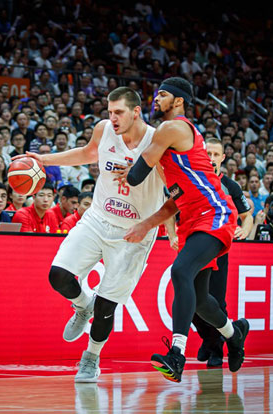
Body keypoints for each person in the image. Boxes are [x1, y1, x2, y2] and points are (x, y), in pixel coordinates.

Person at [16, 87, 171, 383]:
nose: (113, 118)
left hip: (134, 231)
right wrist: (44, 160)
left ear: (136, 112)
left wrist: (160, 228)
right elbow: (87, 153)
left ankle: (91, 358)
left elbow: (172, 192)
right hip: (98, 218)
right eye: (110, 112)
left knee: (106, 307)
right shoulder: (104, 129)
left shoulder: (157, 141)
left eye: (119, 112)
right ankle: (81, 304)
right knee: (58, 275)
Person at [117, 77, 248, 382]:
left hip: (214, 212)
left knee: (180, 271)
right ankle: (235, 334)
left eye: (162, 94)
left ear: (178, 101)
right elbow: (174, 202)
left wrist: (128, 158)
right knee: (201, 301)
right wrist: (145, 224)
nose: (155, 98)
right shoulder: (169, 154)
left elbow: (135, 177)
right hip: (192, 219)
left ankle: (177, 354)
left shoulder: (172, 127)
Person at [192, 137, 254, 368]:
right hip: (193, 247)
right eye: (207, 153)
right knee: (189, 303)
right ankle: (213, 338)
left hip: (218, 249)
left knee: (215, 301)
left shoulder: (230, 186)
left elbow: (247, 215)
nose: (211, 158)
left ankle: (216, 348)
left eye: (216, 154)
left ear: (223, 158)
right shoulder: (192, 179)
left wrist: (244, 229)